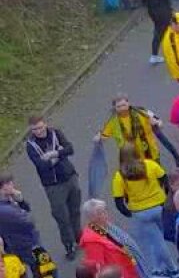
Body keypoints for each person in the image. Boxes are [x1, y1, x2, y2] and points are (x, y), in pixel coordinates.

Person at [109, 146, 179, 278]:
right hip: (159, 206)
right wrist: (166, 196)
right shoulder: (150, 165)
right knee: (167, 235)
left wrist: (128, 212)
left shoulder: (120, 175)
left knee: (157, 241)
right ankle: (168, 265)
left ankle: (171, 269)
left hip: (140, 212)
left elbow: (118, 200)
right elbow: (165, 179)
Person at [24, 117, 80, 260]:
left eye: (41, 127)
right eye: (35, 129)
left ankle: (79, 237)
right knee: (62, 217)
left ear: (45, 124)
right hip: (53, 186)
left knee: (75, 211)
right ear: (31, 130)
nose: (39, 131)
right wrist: (60, 154)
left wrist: (55, 154)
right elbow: (41, 165)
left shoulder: (56, 133)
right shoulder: (31, 145)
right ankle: (69, 245)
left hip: (70, 177)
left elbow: (70, 148)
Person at [95, 95, 179, 168]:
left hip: (150, 153)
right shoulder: (112, 121)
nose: (122, 108)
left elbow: (159, 122)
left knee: (158, 175)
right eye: (119, 107)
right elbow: (104, 136)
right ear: (114, 108)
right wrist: (98, 138)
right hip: (132, 158)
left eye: (124, 105)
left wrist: (157, 123)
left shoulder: (141, 112)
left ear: (128, 104)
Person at [79, 199, 144, 278]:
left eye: (105, 210)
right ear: (92, 218)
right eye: (101, 213)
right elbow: (98, 268)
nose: (105, 214)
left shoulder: (108, 227)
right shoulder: (91, 241)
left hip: (128, 270)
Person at [0, 176, 39, 273]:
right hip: (23, 244)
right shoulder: (5, 210)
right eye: (8, 184)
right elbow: (29, 221)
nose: (12, 185)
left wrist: (21, 201)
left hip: (18, 243)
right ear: (2, 189)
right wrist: (18, 205)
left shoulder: (9, 201)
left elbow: (27, 209)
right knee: (41, 268)